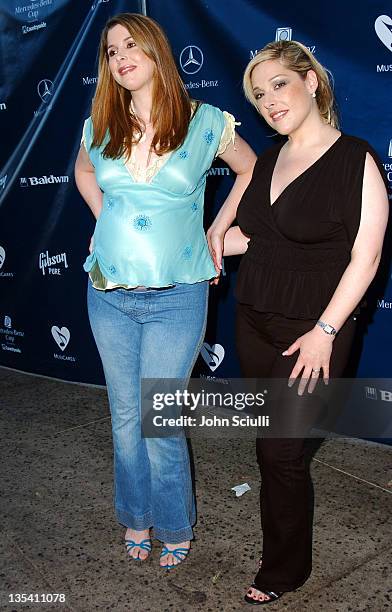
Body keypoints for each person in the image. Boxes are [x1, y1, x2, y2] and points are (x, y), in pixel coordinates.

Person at [74, 13, 256, 570]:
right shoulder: (99, 123)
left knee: (161, 418)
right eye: (110, 51)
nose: (120, 56)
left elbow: (251, 170)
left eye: (131, 45)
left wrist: (217, 230)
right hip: (108, 290)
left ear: (156, 51)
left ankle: (175, 523)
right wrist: (108, 219)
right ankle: (136, 516)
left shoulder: (204, 123)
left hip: (178, 294)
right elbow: (85, 173)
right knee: (126, 416)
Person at [211, 40, 388, 604]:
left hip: (312, 333)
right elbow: (254, 236)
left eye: (279, 85)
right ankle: (281, 549)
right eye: (259, 96)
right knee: (272, 445)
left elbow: (367, 256)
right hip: (254, 320)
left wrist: (326, 332)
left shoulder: (354, 158)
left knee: (279, 453)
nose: (270, 102)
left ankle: (284, 570)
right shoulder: (268, 160)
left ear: (311, 82)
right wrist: (206, 246)